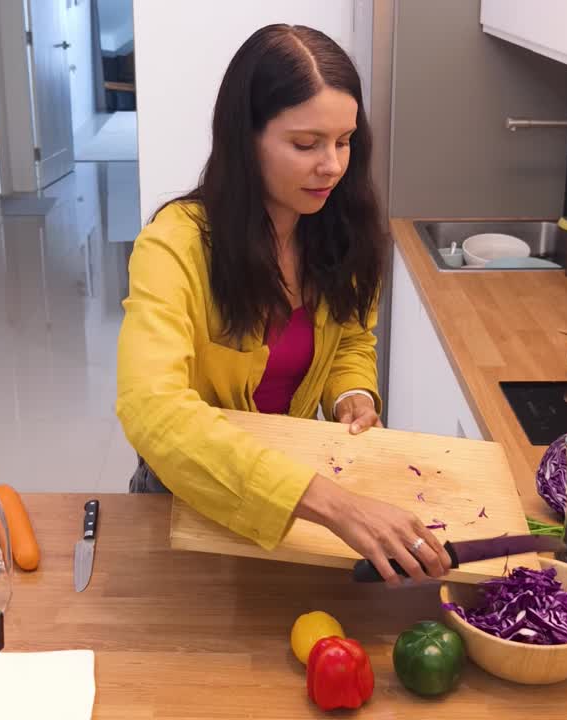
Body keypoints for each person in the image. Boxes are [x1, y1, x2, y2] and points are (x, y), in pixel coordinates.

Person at [116, 24, 451, 586]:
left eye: (344, 141)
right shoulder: (175, 244)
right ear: (245, 140)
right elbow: (151, 408)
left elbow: (350, 339)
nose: (333, 166)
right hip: (192, 494)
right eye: (306, 144)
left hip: (298, 493)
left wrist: (352, 394)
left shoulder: (342, 229)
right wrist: (335, 505)